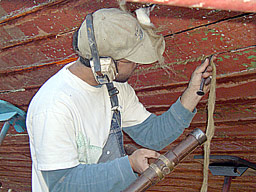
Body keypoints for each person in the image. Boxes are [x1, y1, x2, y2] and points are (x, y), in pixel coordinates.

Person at [26, 8, 212, 192]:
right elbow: (61, 184)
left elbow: (152, 135)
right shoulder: (54, 107)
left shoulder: (115, 88)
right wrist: (129, 165)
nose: (137, 64)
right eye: (131, 60)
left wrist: (193, 93)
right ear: (105, 64)